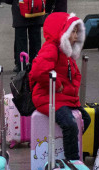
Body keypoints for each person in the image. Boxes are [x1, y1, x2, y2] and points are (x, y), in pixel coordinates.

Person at [29, 12, 90, 162]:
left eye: (77, 32)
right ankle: (72, 160)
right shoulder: (51, 48)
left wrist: (71, 89)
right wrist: (57, 85)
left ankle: (68, 145)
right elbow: (38, 71)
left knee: (86, 119)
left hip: (63, 98)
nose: (76, 36)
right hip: (47, 97)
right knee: (70, 124)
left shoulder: (66, 50)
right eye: (73, 31)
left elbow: (75, 75)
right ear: (62, 31)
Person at [2, 0, 50, 69]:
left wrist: (17, 2)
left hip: (20, 14)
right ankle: (35, 64)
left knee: (21, 41)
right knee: (36, 40)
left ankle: (21, 65)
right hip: (37, 13)